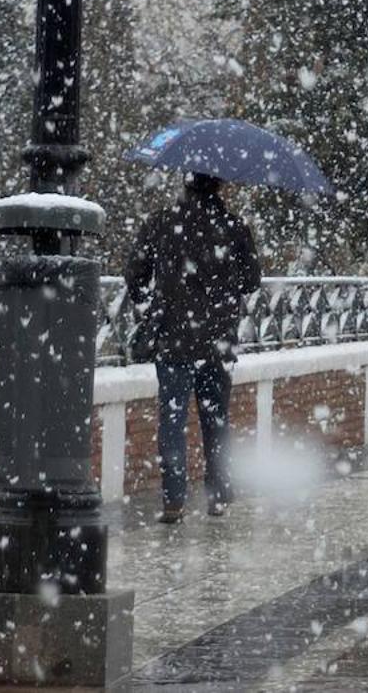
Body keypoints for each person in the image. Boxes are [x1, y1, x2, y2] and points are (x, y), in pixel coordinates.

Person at [124, 172, 261, 523]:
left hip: (173, 339)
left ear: (186, 183)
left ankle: (174, 500)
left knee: (172, 420)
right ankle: (217, 496)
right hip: (217, 341)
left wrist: (149, 298)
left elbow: (135, 272)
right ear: (220, 185)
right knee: (215, 420)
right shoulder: (233, 226)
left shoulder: (163, 221)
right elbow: (251, 281)